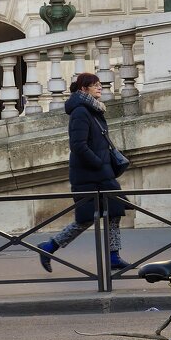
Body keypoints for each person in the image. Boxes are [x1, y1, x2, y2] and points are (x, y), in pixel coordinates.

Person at [37, 73, 129, 272]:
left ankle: (113, 257)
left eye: (100, 85)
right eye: (95, 85)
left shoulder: (94, 110)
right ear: (83, 89)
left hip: (101, 174)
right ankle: (49, 246)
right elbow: (78, 145)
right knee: (86, 218)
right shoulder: (80, 111)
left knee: (115, 212)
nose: (100, 88)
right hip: (88, 175)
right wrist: (97, 163)